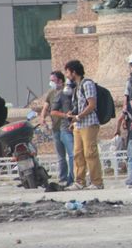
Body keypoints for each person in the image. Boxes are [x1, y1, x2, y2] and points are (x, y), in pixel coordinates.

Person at [65, 59, 104, 189]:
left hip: (89, 123)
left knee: (90, 153)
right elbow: (79, 105)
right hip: (79, 125)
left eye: (68, 72)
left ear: (74, 72)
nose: (67, 75)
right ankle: (79, 181)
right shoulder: (76, 87)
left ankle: (96, 182)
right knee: (78, 153)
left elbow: (91, 105)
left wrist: (78, 116)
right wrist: (73, 118)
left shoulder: (87, 84)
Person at [41, 71, 75, 187]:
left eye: (53, 80)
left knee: (71, 154)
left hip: (66, 127)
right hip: (56, 128)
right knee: (61, 156)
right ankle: (62, 178)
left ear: (60, 80)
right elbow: (46, 108)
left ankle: (72, 177)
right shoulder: (51, 93)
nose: (51, 83)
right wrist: (42, 119)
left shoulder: (67, 91)